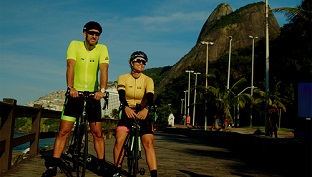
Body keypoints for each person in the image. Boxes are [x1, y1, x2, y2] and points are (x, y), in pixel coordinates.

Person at [43, 21, 110, 177]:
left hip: (94, 95)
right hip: (75, 94)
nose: (94, 36)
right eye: (91, 33)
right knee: (63, 132)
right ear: (84, 33)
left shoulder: (102, 48)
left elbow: (104, 69)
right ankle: (52, 166)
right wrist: (71, 87)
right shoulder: (75, 45)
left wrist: (102, 90)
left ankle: (101, 165)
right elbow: (70, 66)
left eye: (97, 34)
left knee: (98, 133)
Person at [113, 51, 158, 177]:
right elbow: (121, 94)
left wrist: (146, 109)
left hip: (143, 111)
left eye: (144, 61)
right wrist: (126, 107)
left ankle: (154, 174)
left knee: (149, 142)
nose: (141, 63)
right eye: (138, 60)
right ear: (131, 62)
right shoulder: (123, 78)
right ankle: (117, 170)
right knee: (120, 139)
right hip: (128, 110)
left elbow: (150, 96)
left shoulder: (148, 80)